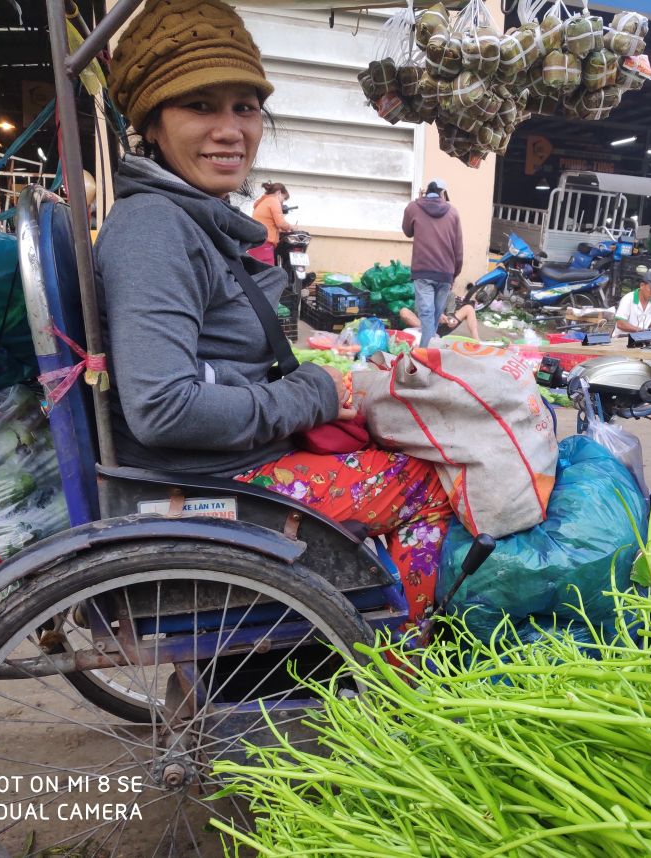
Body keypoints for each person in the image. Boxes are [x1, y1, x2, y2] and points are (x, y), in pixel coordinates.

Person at [98, 0, 451, 618]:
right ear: (151, 124)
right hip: (210, 488)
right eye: (200, 106)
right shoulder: (154, 229)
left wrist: (311, 388)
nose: (230, 130)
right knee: (430, 483)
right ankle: (405, 662)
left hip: (225, 464)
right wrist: (310, 396)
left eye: (245, 107)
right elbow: (163, 408)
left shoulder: (191, 217)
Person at [402, 180, 464, 348]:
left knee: (428, 316)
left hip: (423, 271)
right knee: (434, 317)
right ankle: (429, 352)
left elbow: (407, 231)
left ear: (425, 192)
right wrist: (454, 274)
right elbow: (458, 249)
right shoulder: (453, 212)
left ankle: (425, 353)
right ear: (443, 194)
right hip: (445, 273)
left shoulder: (413, 207)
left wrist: (417, 201)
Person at [248, 181, 293, 265]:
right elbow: (280, 223)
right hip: (265, 242)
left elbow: (268, 223)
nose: (282, 203)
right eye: (283, 199)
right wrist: (291, 227)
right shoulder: (273, 201)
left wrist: (280, 230)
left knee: (256, 269)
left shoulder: (263, 201)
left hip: (256, 242)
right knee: (268, 270)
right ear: (279, 193)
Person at [397, 299, 480, 341]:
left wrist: (449, 320)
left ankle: (477, 341)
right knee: (404, 311)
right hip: (422, 325)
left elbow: (450, 313)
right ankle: (428, 331)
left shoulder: (450, 295)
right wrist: (434, 315)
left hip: (439, 329)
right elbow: (419, 310)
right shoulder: (426, 291)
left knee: (469, 308)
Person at [613, 269, 651, 338]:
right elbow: (620, 324)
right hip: (622, 338)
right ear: (642, 285)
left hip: (641, 337)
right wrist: (640, 331)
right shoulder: (628, 299)